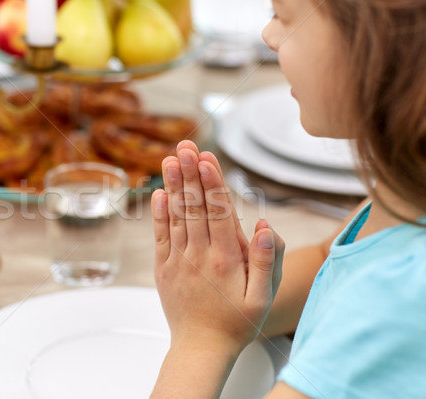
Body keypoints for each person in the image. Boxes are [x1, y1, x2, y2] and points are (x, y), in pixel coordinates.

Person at [150, 0, 426, 397]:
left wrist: (202, 339)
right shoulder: (407, 191)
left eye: (284, 16)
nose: (270, 35)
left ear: (373, 48)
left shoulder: (392, 306)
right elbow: (326, 264)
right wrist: (225, 304)